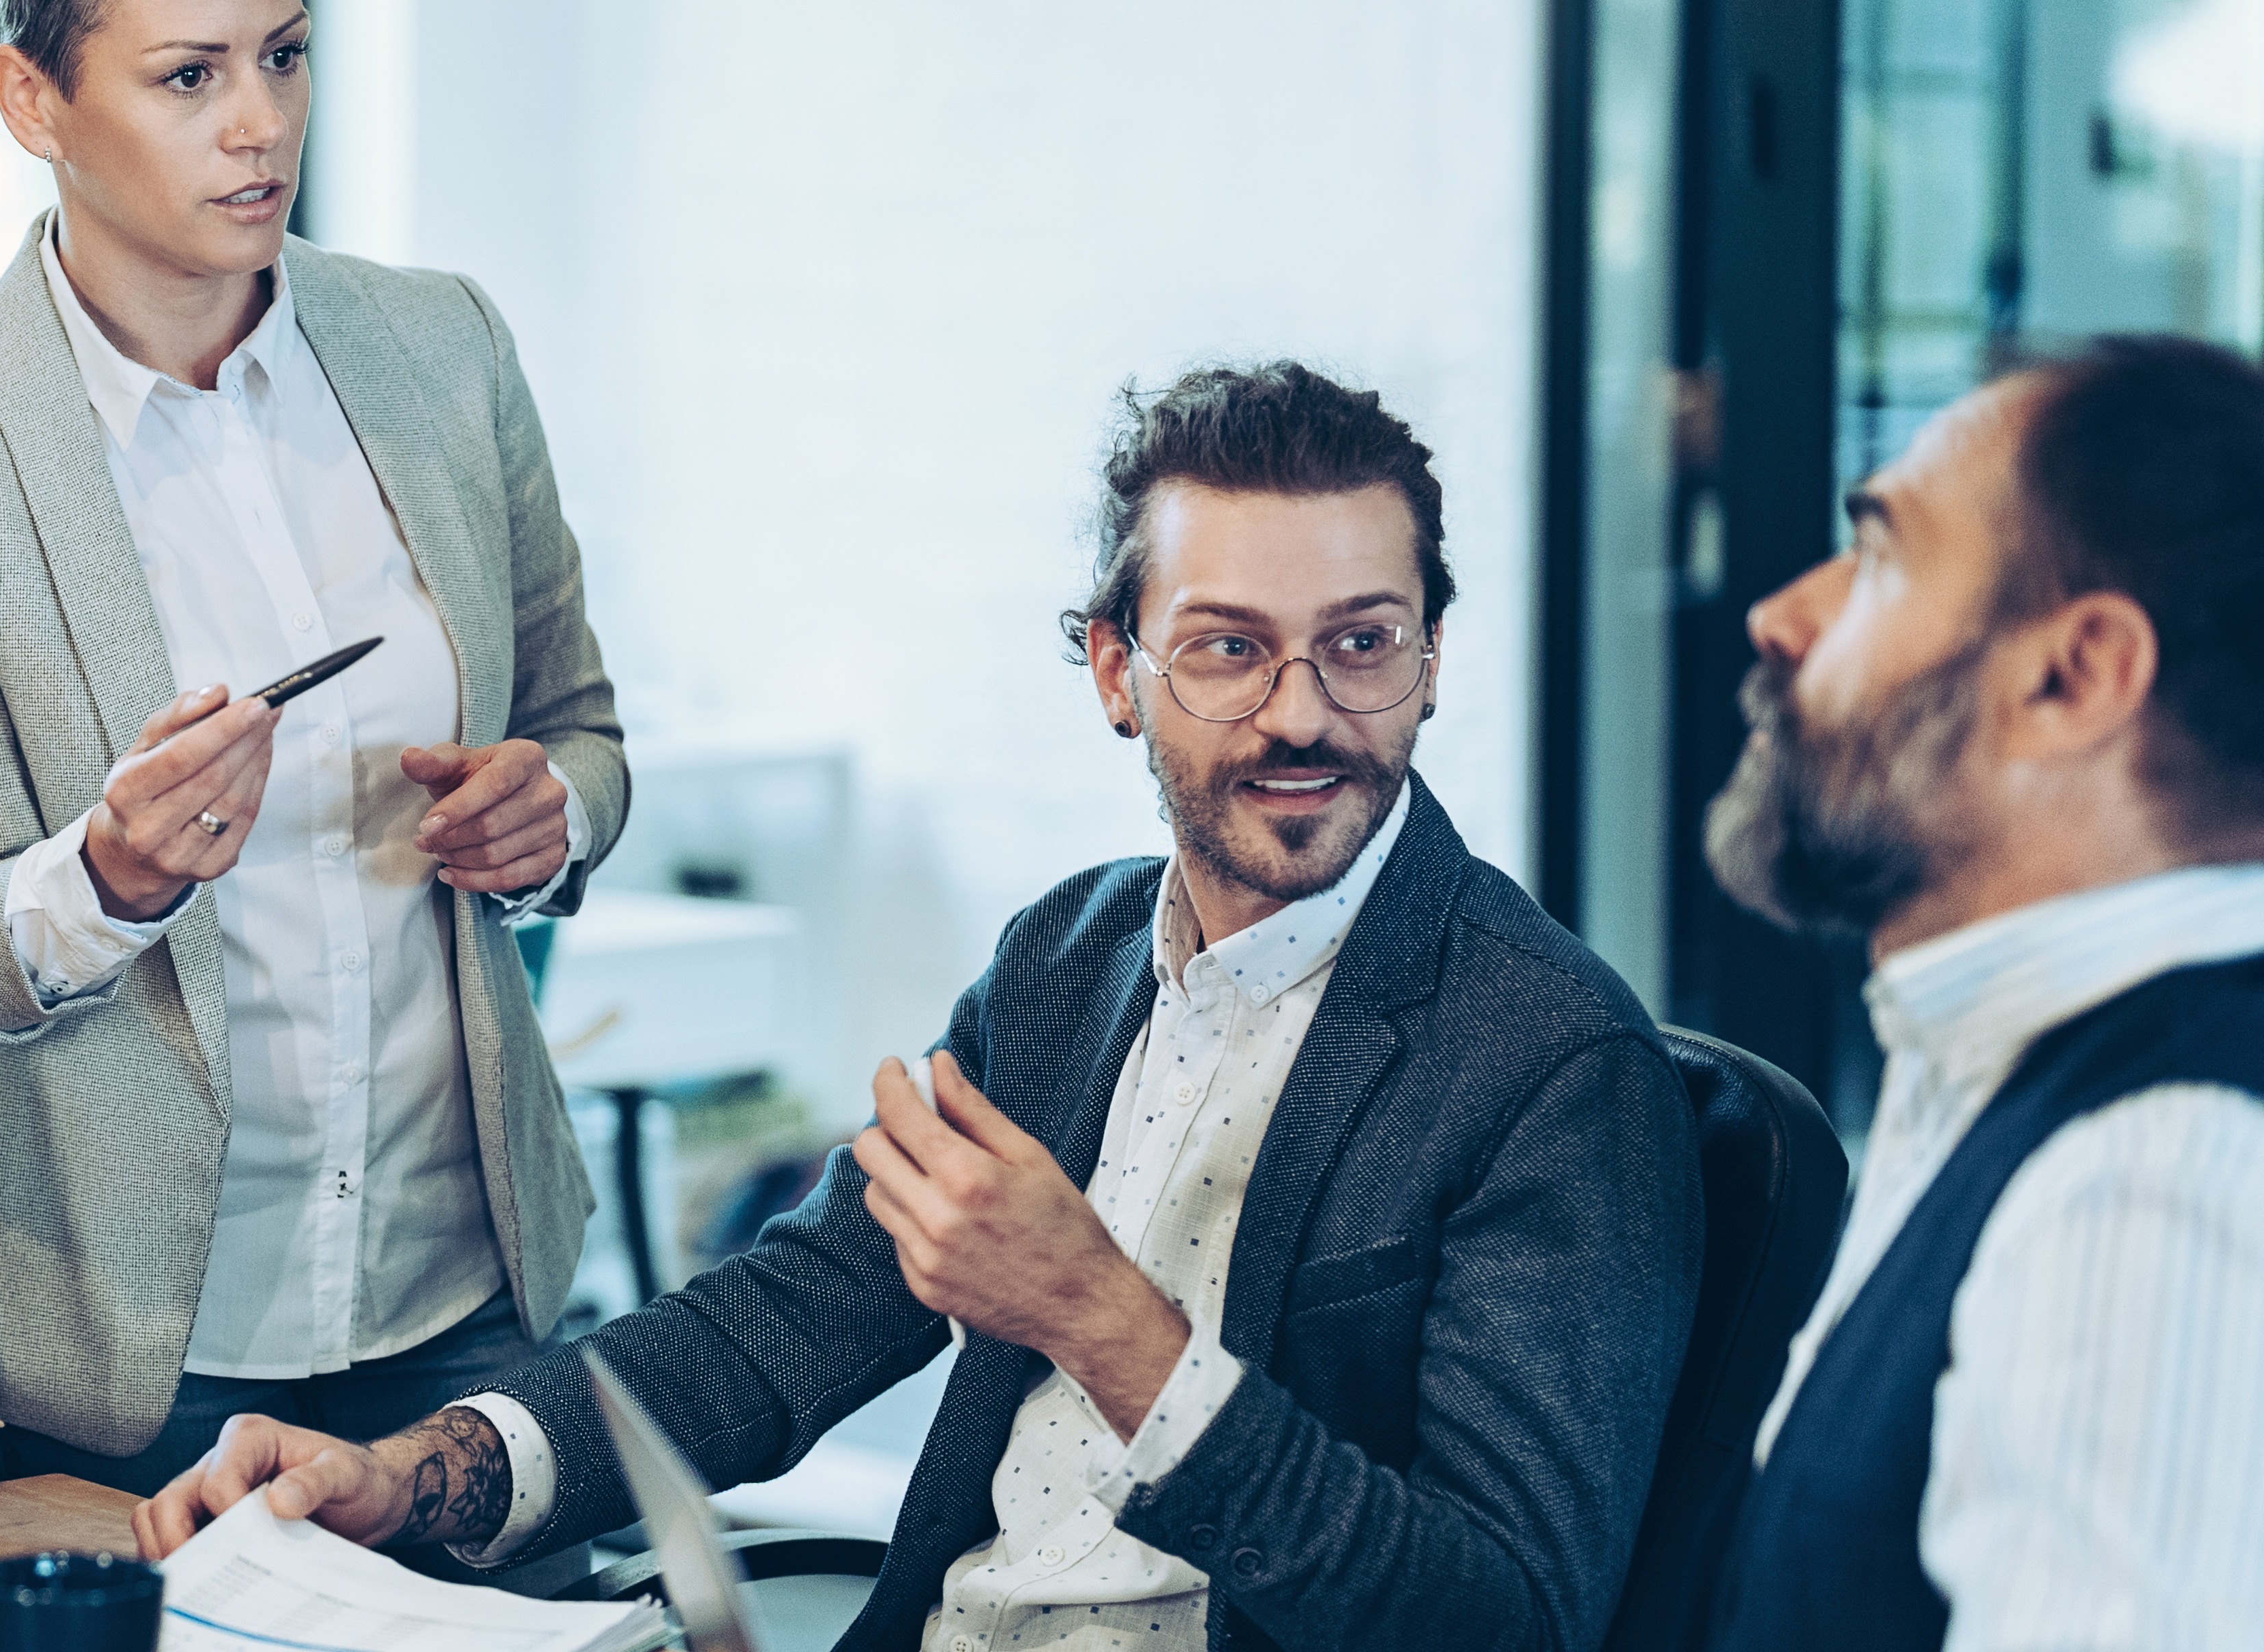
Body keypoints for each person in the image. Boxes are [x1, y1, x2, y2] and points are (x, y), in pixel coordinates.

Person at [142, 364, 1707, 1652]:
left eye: (1361, 645)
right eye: (1228, 650)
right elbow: (781, 1326)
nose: (1303, 713)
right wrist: (420, 1473)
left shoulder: (1555, 1065)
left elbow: (1502, 1618)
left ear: (1432, 658)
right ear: (1115, 670)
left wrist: (1103, 1320)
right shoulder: (1068, 961)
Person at [0, 0, 627, 1498]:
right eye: (189, 78)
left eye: (285, 55)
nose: (261, 127)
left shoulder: (443, 347)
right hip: (135, 1354)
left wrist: (557, 820)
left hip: (470, 1303)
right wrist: (108, 877)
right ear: (34, 100)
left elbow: (581, 727)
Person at [1701, 338, 2264, 1649]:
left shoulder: (2153, 1169)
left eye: (1884, 556)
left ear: (2070, 678)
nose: (1785, 613)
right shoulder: (1995, 1060)